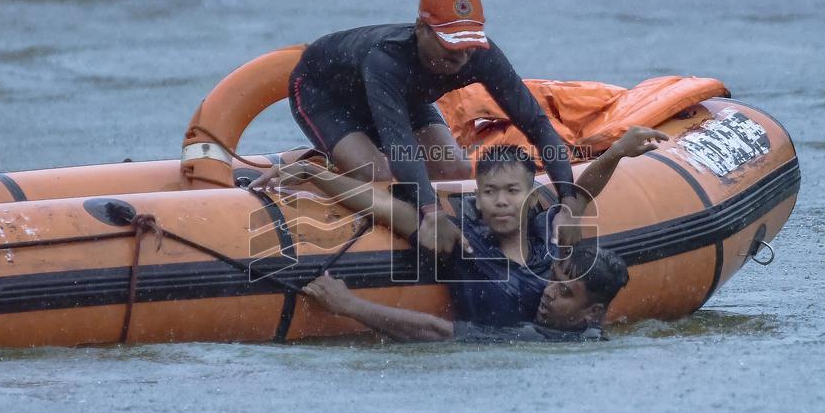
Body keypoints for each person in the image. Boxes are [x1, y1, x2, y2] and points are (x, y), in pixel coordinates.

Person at [261, 0, 583, 254]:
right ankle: (319, 166)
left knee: (454, 167)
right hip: (324, 94)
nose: (461, 57)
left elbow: (536, 123)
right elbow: (399, 143)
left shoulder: (481, 56)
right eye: (450, 46)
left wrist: (567, 199)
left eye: (467, 46)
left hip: (406, 95)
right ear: (420, 29)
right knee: (377, 173)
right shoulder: (385, 59)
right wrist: (430, 213)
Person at [263, 125, 667, 325]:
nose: (502, 201)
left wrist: (617, 151)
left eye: (512, 190)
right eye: (490, 192)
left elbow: (579, 196)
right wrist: (313, 175)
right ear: (477, 198)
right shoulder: (461, 244)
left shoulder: (552, 241)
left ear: (531, 197)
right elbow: (383, 207)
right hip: (497, 342)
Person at [302, 245, 630, 343]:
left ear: (591, 313)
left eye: (566, 293)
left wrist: (348, 305)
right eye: (554, 281)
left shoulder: (535, 338)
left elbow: (438, 331)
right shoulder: (589, 335)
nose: (548, 293)